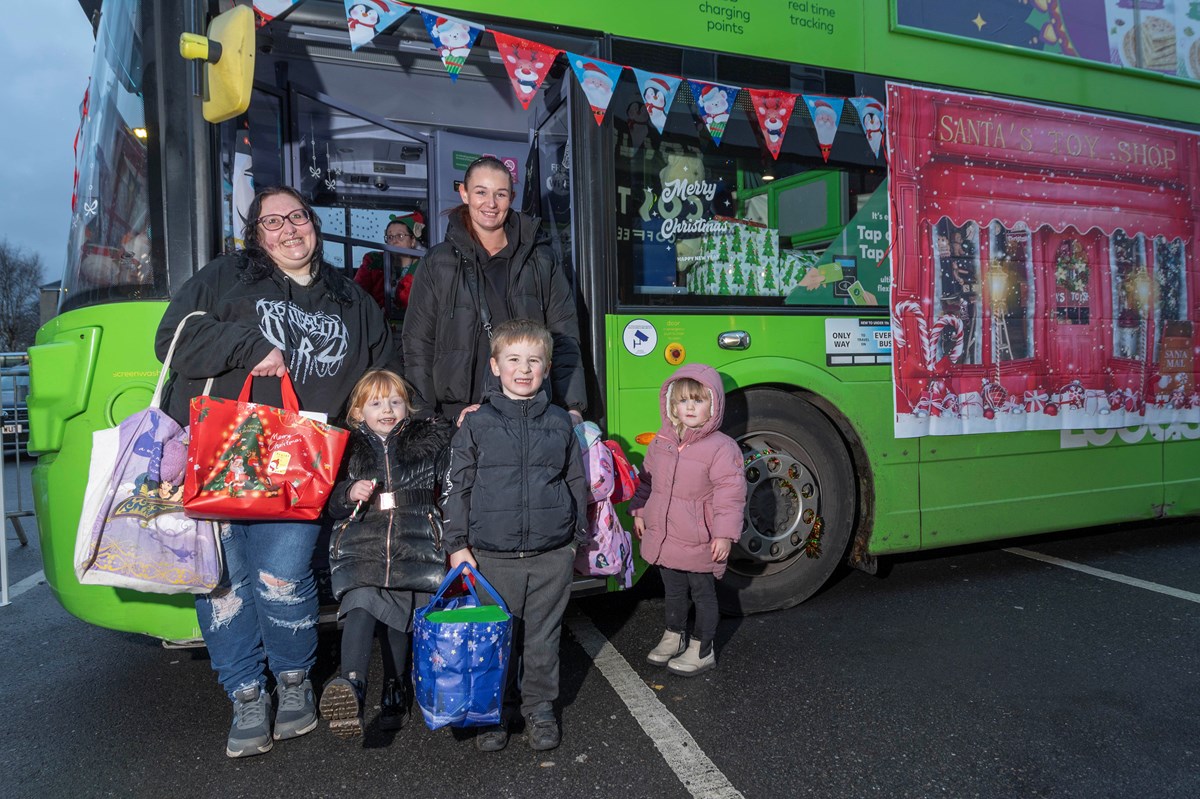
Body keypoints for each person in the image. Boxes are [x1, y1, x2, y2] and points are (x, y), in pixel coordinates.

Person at [154, 185, 399, 759]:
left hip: (301, 463)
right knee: (223, 585)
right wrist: (247, 343)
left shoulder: (352, 301)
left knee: (285, 579)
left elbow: (381, 370)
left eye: (297, 218)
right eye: (272, 223)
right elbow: (172, 340)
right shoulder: (225, 277)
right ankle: (244, 693)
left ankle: (292, 684)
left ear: (313, 224)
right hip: (220, 456)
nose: (289, 230)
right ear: (257, 235)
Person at [441, 319, 587, 752]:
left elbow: (576, 481)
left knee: (543, 638)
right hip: (491, 557)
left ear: (546, 368)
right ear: (495, 366)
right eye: (513, 360)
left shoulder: (561, 423)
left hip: (550, 554)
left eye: (534, 361)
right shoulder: (476, 424)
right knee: (493, 639)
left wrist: (574, 538)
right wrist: (457, 545)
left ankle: (539, 709)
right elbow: (456, 487)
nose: (524, 370)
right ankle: (493, 712)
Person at [402, 155, 586, 425]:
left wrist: (573, 406)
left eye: (500, 194)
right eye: (481, 192)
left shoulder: (541, 259)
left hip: (530, 412)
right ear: (464, 194)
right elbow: (418, 343)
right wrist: (425, 416)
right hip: (457, 415)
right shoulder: (438, 261)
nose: (490, 203)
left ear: (511, 197)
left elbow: (564, 335)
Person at [319, 369, 452, 738]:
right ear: (358, 412)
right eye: (376, 403)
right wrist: (348, 493)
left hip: (415, 539)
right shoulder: (346, 447)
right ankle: (352, 687)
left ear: (407, 408)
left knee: (400, 612)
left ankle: (395, 685)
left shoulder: (428, 441)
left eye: (395, 401)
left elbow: (452, 484)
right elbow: (329, 503)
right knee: (361, 602)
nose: (387, 409)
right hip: (363, 540)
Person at [629, 363, 746, 677]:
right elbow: (647, 481)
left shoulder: (722, 448)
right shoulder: (662, 442)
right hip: (666, 535)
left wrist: (723, 534)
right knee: (673, 589)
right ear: (672, 407)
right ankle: (674, 634)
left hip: (699, 539)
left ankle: (702, 647)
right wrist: (639, 511)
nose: (690, 406)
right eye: (683, 401)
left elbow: (730, 494)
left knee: (703, 592)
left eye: (698, 399)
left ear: (714, 405)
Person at [354, 213, 425, 321]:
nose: (394, 240)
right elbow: (357, 292)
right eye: (390, 237)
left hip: (411, 325)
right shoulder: (374, 260)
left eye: (400, 236)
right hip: (377, 324)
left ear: (413, 241)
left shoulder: (423, 267)